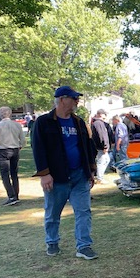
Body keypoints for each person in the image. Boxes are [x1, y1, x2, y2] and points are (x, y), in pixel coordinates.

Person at [31, 86, 98, 260]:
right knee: (53, 213)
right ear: (61, 99)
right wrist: (44, 174)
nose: (77, 101)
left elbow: (88, 147)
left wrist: (91, 170)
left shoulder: (79, 122)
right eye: (74, 98)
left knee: (84, 211)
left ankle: (84, 246)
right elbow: (38, 149)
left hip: (80, 175)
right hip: (57, 177)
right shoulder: (44, 122)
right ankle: (52, 242)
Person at [0, 106, 26, 206]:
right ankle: (16, 195)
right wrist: (20, 146)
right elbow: (23, 140)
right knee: (14, 174)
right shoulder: (17, 125)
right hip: (15, 149)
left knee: (5, 174)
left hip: (3, 151)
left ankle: (11, 196)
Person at [91, 109, 111, 183]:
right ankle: (100, 178)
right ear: (101, 114)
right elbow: (101, 135)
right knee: (101, 162)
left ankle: (100, 176)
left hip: (100, 147)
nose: (106, 116)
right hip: (101, 147)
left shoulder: (98, 123)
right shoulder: (98, 123)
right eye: (105, 114)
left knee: (106, 160)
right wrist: (104, 146)